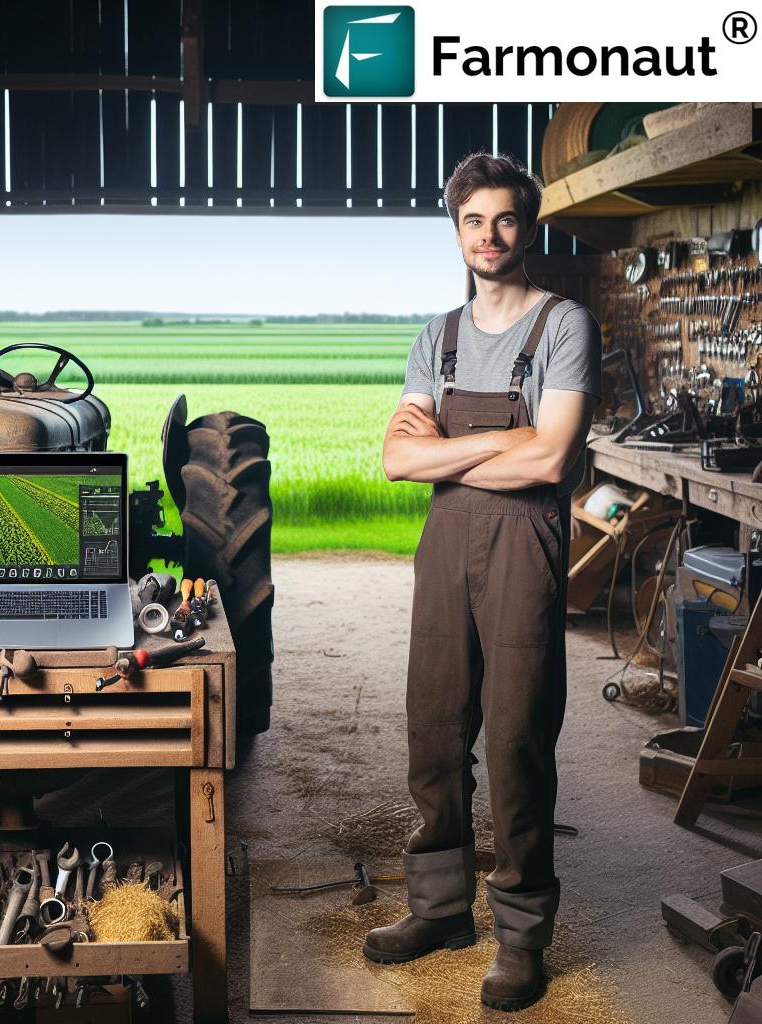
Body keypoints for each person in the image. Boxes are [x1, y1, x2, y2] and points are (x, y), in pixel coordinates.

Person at [363, 152, 602, 1012]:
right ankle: (438, 911)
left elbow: (555, 458)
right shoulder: (440, 336)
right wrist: (506, 442)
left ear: (526, 227)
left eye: (505, 219)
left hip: (526, 547)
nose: (489, 236)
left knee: (515, 740)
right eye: (474, 220)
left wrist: (456, 455)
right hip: (445, 545)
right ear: (456, 230)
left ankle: (521, 938)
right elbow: (396, 460)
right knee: (433, 729)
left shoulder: (564, 326)